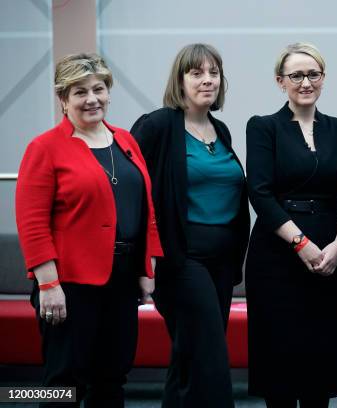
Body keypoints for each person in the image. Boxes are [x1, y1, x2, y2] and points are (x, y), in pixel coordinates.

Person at [15, 53, 162, 407]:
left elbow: (147, 209)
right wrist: (48, 285)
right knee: (63, 382)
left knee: (112, 378)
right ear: (63, 99)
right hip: (69, 285)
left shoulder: (126, 141)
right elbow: (32, 222)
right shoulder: (44, 148)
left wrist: (147, 268)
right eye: (79, 92)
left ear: (109, 93)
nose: (92, 98)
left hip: (122, 280)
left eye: (98, 89)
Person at [130, 43, 249, 408]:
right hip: (182, 258)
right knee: (210, 352)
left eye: (213, 72)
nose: (207, 80)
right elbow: (135, 195)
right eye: (196, 73)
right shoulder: (158, 126)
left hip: (223, 260)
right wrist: (141, 263)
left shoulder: (221, 130)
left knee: (188, 354)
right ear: (180, 81)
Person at [245, 42, 337, 408]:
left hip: (331, 252)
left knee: (320, 362)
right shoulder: (263, 127)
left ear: (323, 78)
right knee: (279, 361)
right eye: (296, 75)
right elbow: (260, 194)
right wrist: (301, 243)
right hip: (278, 253)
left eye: (313, 74)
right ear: (281, 81)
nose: (305, 82)